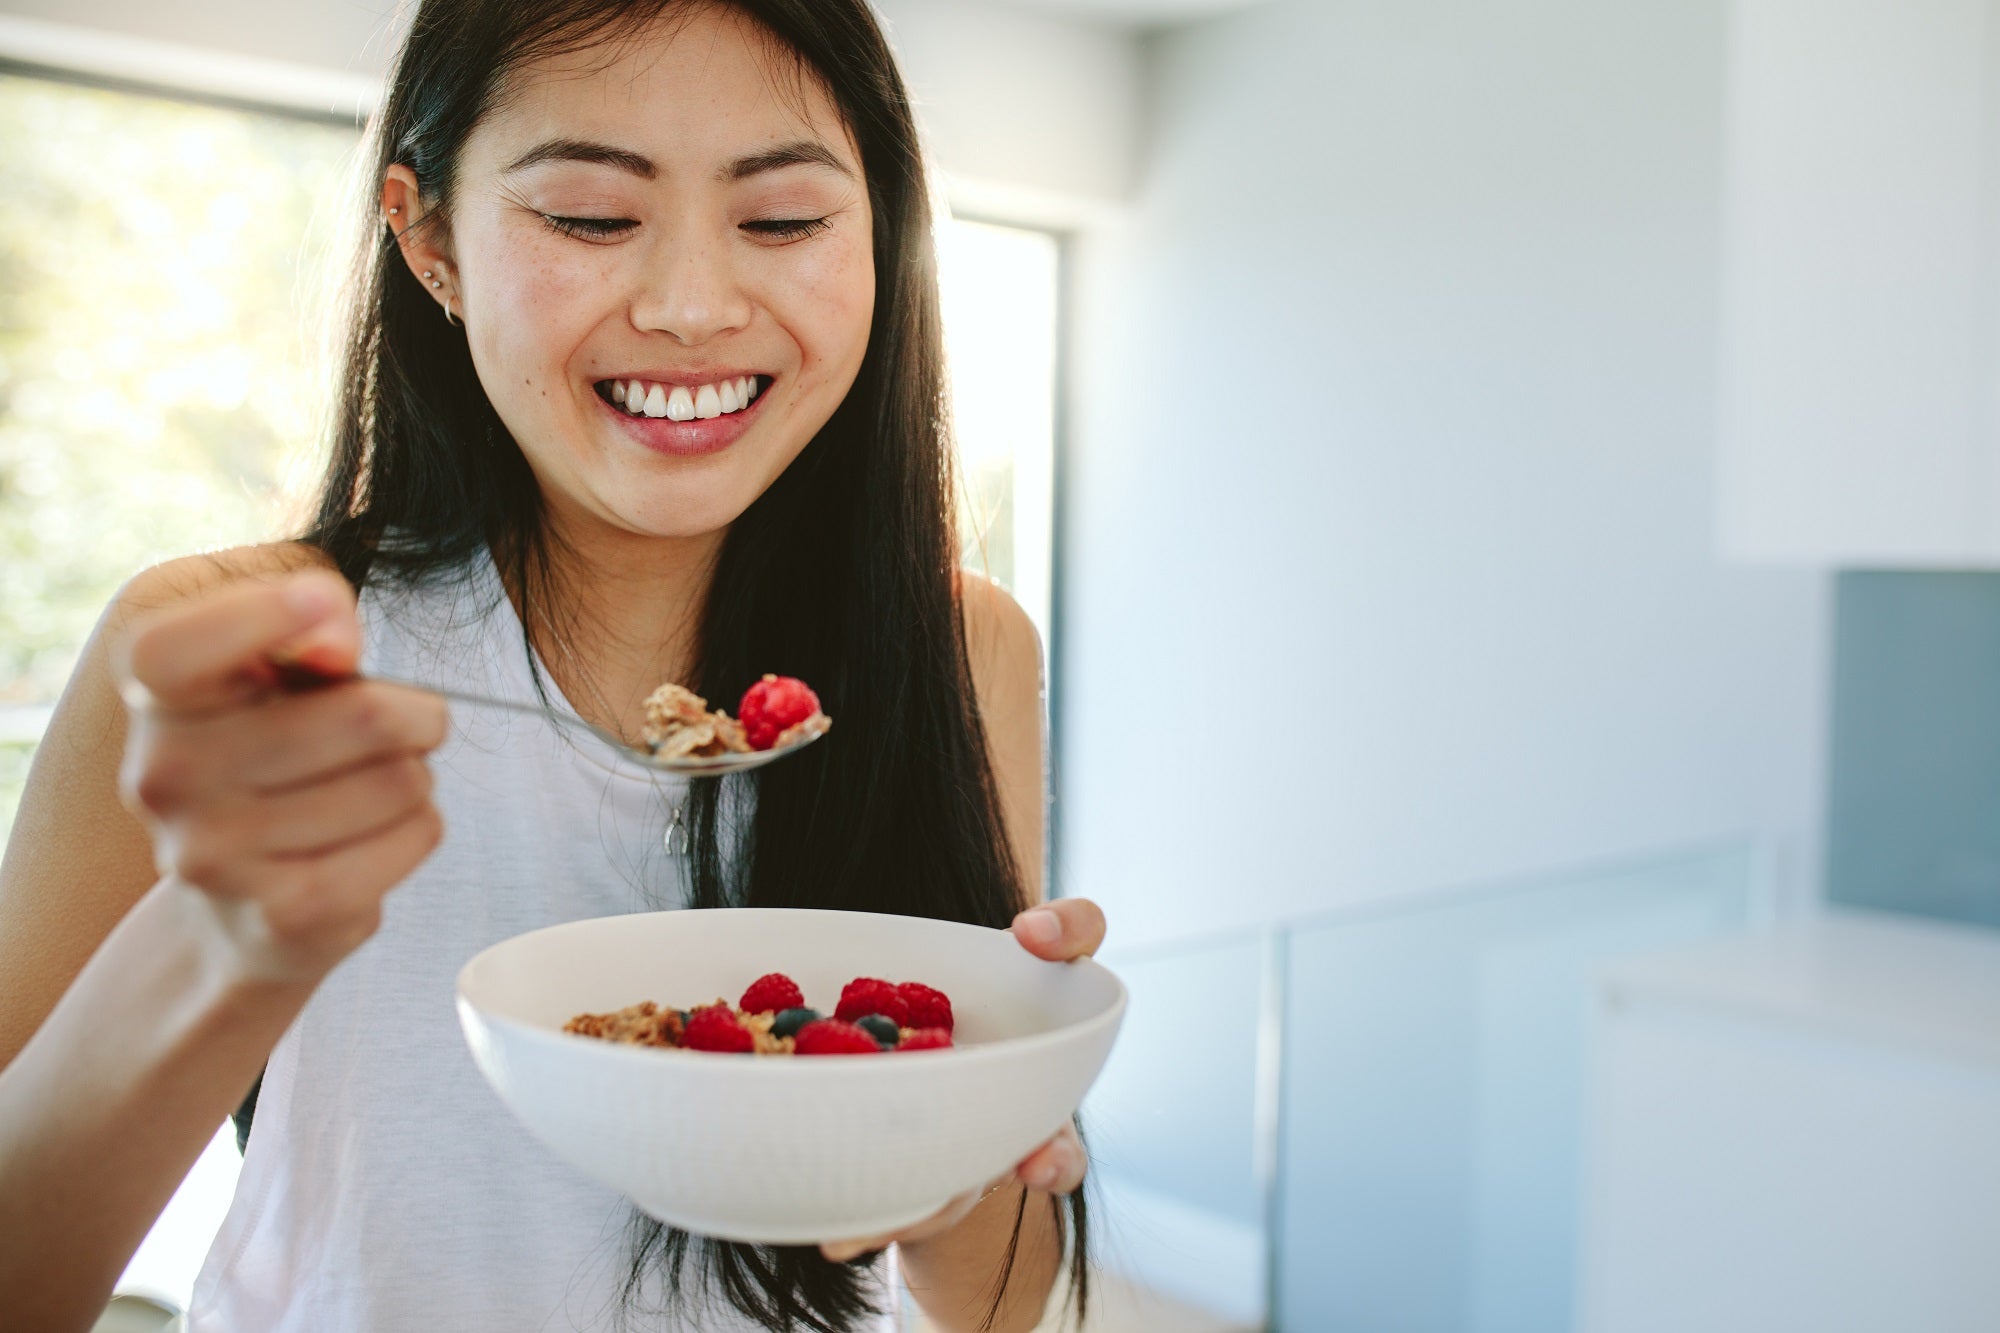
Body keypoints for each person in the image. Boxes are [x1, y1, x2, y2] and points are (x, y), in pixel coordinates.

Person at [0, 1, 1104, 1328]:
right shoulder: (247, 655)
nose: (695, 307)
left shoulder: (964, 649)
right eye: (588, 217)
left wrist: (973, 1123)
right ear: (429, 240)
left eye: (785, 221)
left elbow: (999, 1298)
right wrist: (216, 938)